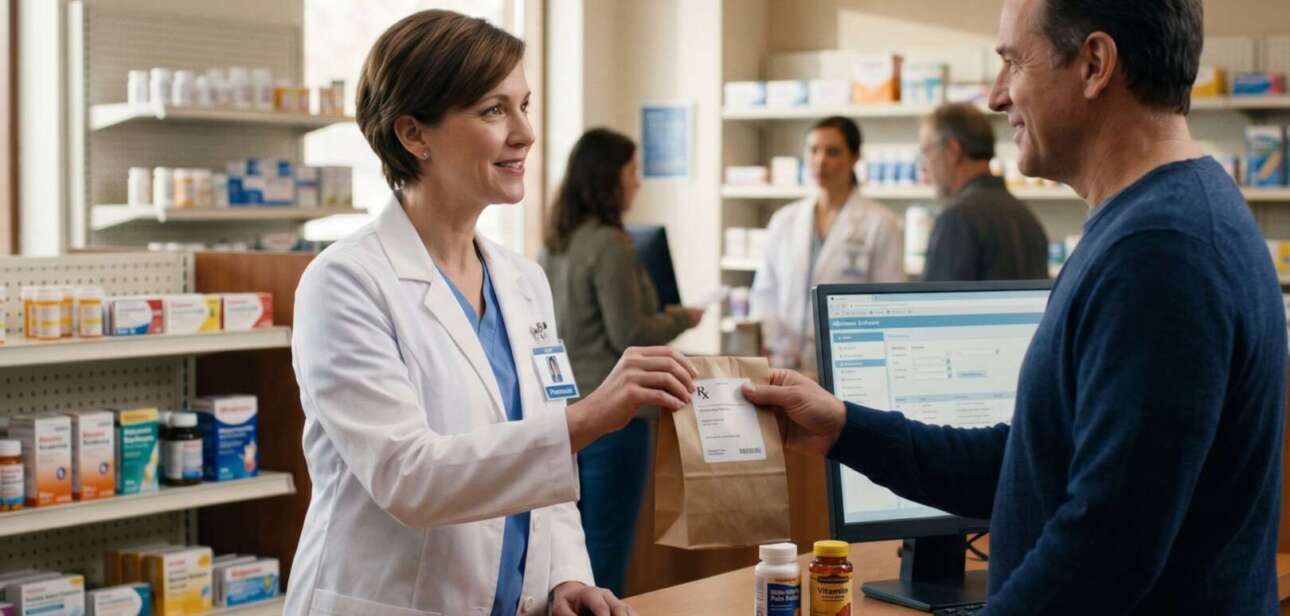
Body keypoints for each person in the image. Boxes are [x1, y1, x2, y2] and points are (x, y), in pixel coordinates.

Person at [742, 0, 1285, 613]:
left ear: (1094, 65)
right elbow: (1032, 459)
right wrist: (844, 426)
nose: (997, 97)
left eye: (1012, 63)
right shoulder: (1158, 222)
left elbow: (1105, 549)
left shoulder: (1161, 250)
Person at [287, 11, 696, 616]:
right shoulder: (345, 283)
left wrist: (565, 578)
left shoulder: (523, 281)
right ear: (413, 135)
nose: (526, 133)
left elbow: (549, 480)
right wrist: (588, 419)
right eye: (493, 110)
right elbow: (410, 478)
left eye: (524, 105)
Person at [539, 128, 704, 597]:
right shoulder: (611, 244)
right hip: (614, 417)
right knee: (604, 551)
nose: (638, 183)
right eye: (632, 172)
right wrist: (680, 318)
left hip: (565, 415)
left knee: (566, 559)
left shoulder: (555, 242)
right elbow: (629, 334)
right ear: (608, 178)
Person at [750, 116, 905, 376]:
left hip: (849, 366)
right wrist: (773, 343)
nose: (821, 160)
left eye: (833, 152)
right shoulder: (785, 220)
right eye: (813, 150)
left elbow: (888, 305)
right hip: (784, 361)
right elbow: (765, 292)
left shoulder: (881, 223)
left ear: (855, 157)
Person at [917, 103, 1049, 281]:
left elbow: (934, 305)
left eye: (926, 152)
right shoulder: (1025, 216)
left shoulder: (957, 219)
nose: (924, 166)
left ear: (953, 151)